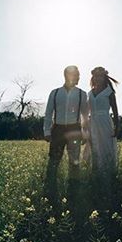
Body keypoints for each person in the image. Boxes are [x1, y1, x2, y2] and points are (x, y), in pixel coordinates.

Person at [43, 65, 89, 208]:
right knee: (54, 159)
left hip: (74, 129)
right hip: (57, 129)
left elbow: (84, 115)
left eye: (78, 75)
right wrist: (46, 131)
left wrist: (85, 133)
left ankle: (73, 189)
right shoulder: (55, 93)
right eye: (75, 74)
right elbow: (48, 112)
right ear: (66, 75)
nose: (77, 77)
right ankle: (50, 190)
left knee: (74, 160)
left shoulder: (82, 94)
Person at [83, 66, 119, 208]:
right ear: (93, 78)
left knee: (106, 149)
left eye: (101, 76)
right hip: (92, 123)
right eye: (96, 76)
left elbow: (115, 111)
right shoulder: (89, 93)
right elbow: (86, 112)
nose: (98, 78)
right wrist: (84, 127)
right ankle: (94, 177)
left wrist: (117, 126)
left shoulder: (109, 92)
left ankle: (108, 179)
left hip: (105, 122)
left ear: (105, 77)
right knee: (93, 149)